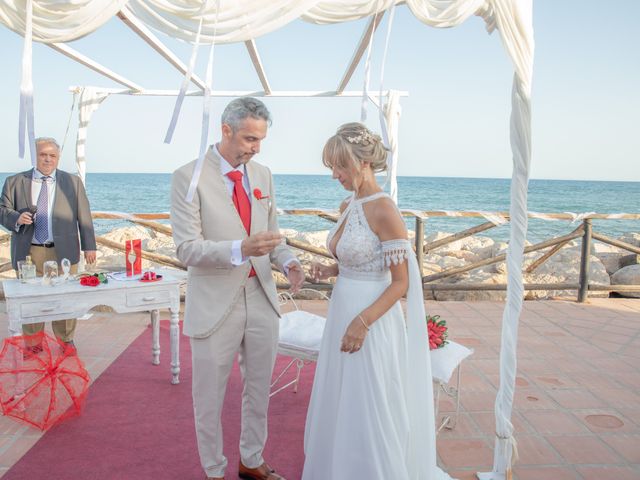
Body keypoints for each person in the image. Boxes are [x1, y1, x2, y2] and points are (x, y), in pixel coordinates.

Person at [303, 123, 452, 479]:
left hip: (371, 320)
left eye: (340, 166)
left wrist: (363, 321)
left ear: (362, 162)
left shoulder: (385, 209)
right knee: (342, 398)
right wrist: (329, 270)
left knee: (369, 402)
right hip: (342, 309)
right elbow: (358, 260)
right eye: (331, 167)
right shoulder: (348, 202)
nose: (335, 175)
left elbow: (400, 283)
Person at [171, 97, 304, 480]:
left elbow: (271, 234)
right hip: (214, 303)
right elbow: (186, 250)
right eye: (249, 138)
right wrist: (239, 249)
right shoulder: (187, 177)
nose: (255, 148)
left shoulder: (262, 174)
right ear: (225, 130)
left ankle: (251, 460)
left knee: (259, 389)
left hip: (261, 296)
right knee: (209, 398)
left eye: (260, 140)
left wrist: (288, 260)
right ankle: (214, 471)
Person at [0, 137, 97, 354]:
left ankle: (66, 340)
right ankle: (33, 344)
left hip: (63, 251)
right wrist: (17, 217)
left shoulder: (73, 183)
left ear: (58, 158)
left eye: (52, 155)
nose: (47, 159)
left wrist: (89, 246)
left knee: (65, 298)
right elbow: (2, 211)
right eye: (43, 154)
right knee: (31, 298)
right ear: (35, 156)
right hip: (29, 252)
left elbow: (84, 216)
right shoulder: (14, 182)